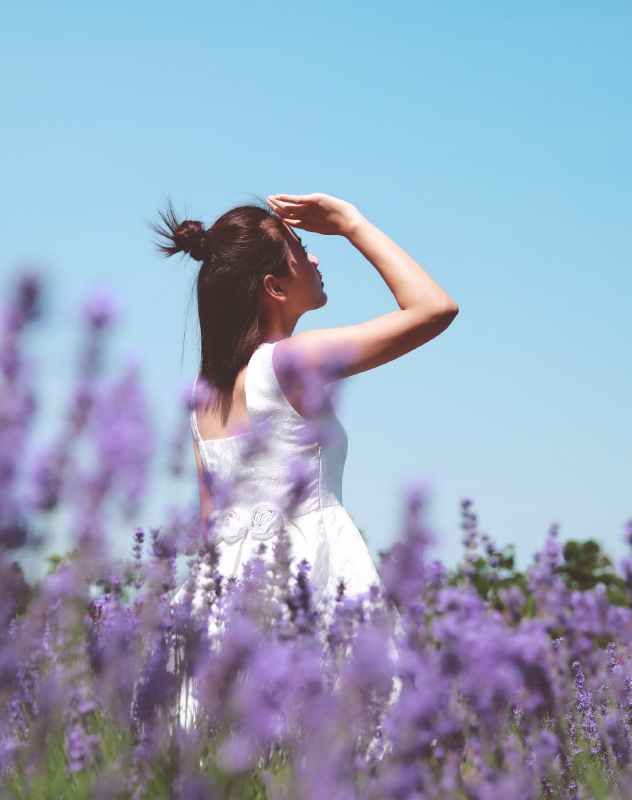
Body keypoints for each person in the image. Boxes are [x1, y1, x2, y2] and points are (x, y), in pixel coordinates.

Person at [152, 192, 458, 613]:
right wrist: (352, 223)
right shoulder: (290, 361)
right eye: (302, 251)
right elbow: (434, 308)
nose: (315, 261)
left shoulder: (202, 398)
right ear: (274, 286)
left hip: (218, 599)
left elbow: (211, 523)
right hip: (306, 580)